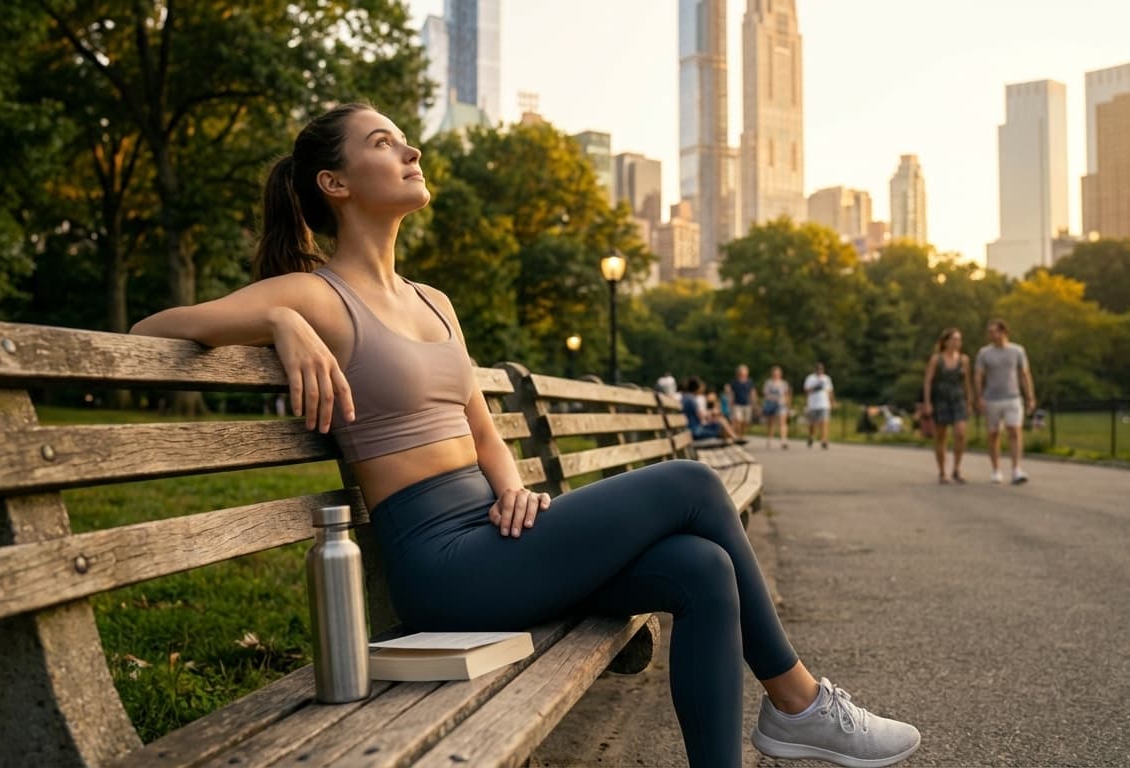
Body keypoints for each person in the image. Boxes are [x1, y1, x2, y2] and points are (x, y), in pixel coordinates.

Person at [129, 104, 918, 767]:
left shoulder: (435, 301)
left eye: (405, 138)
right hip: (445, 570)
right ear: (333, 185)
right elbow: (151, 328)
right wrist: (278, 319)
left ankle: (774, 730)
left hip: (496, 537)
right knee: (692, 483)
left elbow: (480, 428)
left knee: (702, 569)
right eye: (382, 144)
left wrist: (513, 490)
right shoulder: (315, 291)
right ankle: (797, 701)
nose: (410, 149)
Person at [974, 319, 1036, 485]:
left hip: (1013, 397)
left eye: (993, 331)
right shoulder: (984, 353)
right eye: (989, 332)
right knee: (993, 434)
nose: (991, 335)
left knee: (1014, 430)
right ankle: (996, 470)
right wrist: (979, 397)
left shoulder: (1017, 351)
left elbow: (1024, 374)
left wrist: (1030, 396)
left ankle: (1016, 469)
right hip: (992, 398)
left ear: (1003, 332)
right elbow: (978, 376)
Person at [920, 328, 974, 484]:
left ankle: (957, 468)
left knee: (960, 433)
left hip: (958, 399)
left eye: (959, 339)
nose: (957, 342)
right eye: (954, 339)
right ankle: (942, 471)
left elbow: (967, 382)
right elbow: (928, 381)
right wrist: (927, 402)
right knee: (941, 436)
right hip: (941, 399)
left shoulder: (964, 359)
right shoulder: (936, 359)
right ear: (946, 341)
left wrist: (969, 401)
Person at [682, 377, 743, 443]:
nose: (702, 388)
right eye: (700, 387)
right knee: (721, 422)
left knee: (721, 421)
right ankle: (735, 438)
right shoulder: (691, 399)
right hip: (695, 431)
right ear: (696, 388)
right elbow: (700, 416)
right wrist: (711, 413)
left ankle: (734, 438)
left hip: (691, 429)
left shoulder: (686, 397)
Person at [802, 363, 835, 449]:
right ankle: (811, 436)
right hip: (813, 404)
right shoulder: (810, 378)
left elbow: (830, 391)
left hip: (824, 404)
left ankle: (824, 440)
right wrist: (816, 387)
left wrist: (832, 402)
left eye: (821, 369)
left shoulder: (827, 378)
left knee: (824, 422)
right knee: (812, 424)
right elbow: (806, 390)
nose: (820, 371)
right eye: (818, 369)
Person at [762, 366, 791, 449]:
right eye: (775, 373)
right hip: (771, 404)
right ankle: (769, 439)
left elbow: (786, 394)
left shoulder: (784, 383)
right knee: (771, 423)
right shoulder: (768, 383)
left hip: (781, 404)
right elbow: (765, 394)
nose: (776, 375)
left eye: (778, 373)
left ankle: (783, 440)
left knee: (783, 422)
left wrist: (787, 405)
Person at [729, 364, 756, 438]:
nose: (743, 373)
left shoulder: (750, 382)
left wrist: (754, 403)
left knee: (745, 422)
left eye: (744, 372)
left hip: (747, 404)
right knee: (738, 420)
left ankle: (742, 434)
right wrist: (730, 403)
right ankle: (738, 435)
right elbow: (732, 394)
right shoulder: (734, 382)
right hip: (737, 404)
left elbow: (752, 392)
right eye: (741, 372)